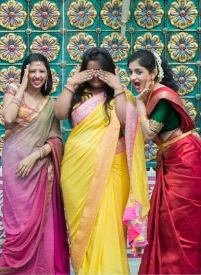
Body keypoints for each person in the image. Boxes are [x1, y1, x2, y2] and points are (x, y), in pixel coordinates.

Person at [128, 49, 201, 273]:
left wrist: (140, 106)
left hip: (185, 161)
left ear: (153, 72)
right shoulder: (152, 93)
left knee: (181, 225)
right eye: (130, 72)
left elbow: (149, 133)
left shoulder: (162, 96)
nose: (133, 77)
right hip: (172, 159)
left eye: (139, 71)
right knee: (165, 224)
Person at [53, 47, 149, 274]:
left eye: (101, 71)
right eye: (90, 71)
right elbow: (58, 113)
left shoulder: (120, 95)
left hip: (111, 171)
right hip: (76, 170)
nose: (96, 76)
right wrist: (72, 83)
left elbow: (127, 123)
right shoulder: (77, 95)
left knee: (108, 227)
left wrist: (116, 87)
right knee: (81, 228)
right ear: (83, 70)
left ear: (111, 71)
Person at [0, 53, 69, 274]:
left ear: (48, 75)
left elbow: (56, 139)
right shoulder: (12, 91)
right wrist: (22, 86)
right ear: (25, 71)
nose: (37, 75)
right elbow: (8, 117)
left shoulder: (52, 104)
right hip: (14, 169)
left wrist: (35, 156)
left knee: (42, 225)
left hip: (39, 169)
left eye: (42, 71)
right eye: (32, 71)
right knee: (17, 225)